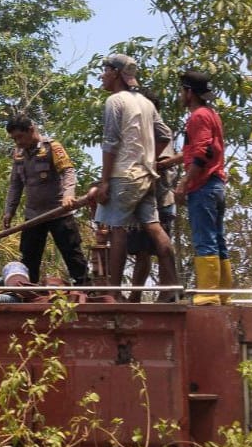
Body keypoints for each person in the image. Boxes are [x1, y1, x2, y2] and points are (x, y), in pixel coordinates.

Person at [95, 54, 178, 302]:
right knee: (154, 226)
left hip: (123, 175)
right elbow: (164, 135)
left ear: (116, 73)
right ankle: (172, 287)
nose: (102, 75)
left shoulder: (115, 101)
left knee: (117, 230)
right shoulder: (146, 103)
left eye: (105, 70)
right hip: (146, 175)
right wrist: (149, 159)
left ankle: (113, 292)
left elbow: (110, 142)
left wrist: (104, 181)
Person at [1, 114, 91, 286]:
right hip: (33, 215)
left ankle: (86, 290)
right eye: (14, 139)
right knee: (29, 258)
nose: (18, 142)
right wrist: (9, 211)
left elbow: (68, 171)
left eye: (20, 137)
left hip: (58, 212)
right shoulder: (18, 154)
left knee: (73, 255)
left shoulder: (52, 147)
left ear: (31, 130)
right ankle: (29, 293)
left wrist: (68, 195)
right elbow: (15, 184)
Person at [174, 70, 231, 306]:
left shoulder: (197, 116)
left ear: (189, 92)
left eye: (182, 90)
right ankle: (224, 294)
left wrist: (184, 182)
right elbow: (204, 148)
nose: (180, 95)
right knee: (218, 238)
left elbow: (203, 152)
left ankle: (208, 293)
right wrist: (172, 161)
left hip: (204, 185)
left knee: (204, 238)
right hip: (216, 184)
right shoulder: (211, 114)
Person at [126, 87, 178, 303]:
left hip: (160, 198)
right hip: (140, 198)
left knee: (159, 244)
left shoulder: (158, 130)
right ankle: (135, 296)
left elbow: (163, 162)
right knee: (141, 250)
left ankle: (169, 290)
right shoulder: (139, 129)